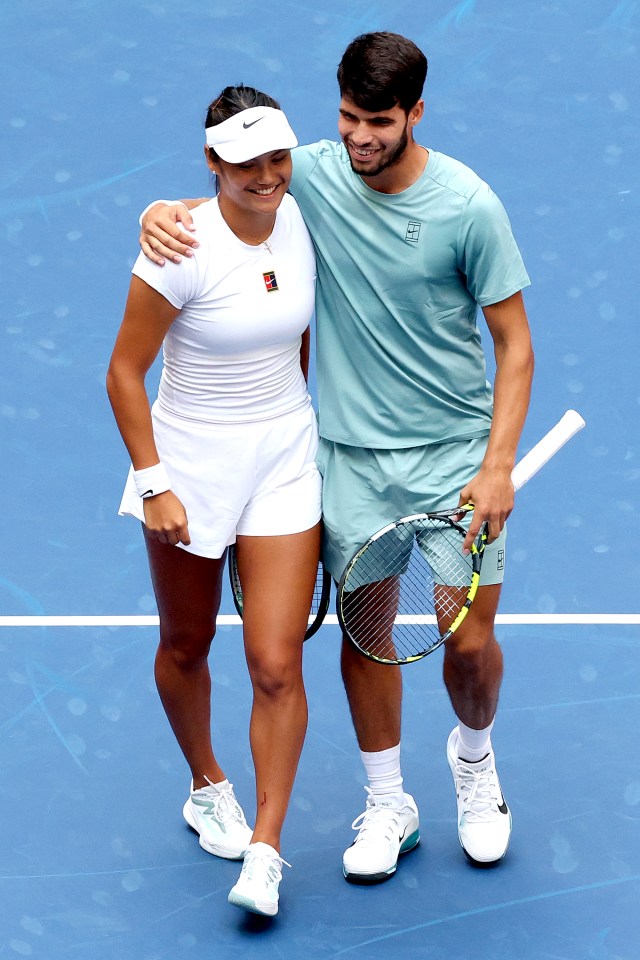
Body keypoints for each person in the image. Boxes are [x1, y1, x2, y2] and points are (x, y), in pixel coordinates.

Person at [138, 32, 535, 883]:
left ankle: (475, 765)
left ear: (416, 113)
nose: (359, 138)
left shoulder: (469, 206)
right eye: (349, 117)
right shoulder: (310, 172)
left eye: (379, 122)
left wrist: (498, 462)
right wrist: (159, 211)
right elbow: (238, 189)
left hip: (456, 455)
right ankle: (389, 799)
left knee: (468, 647)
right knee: (369, 637)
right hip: (350, 458)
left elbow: (515, 344)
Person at [106, 85, 323, 917]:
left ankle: (266, 849)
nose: (268, 176)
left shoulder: (303, 213)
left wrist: (288, 422)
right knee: (188, 643)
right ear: (212, 162)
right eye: (246, 164)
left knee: (275, 663)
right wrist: (154, 483)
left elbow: (296, 334)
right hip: (189, 464)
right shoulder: (178, 245)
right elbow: (125, 373)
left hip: (282, 457)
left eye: (278, 158)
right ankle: (206, 783)